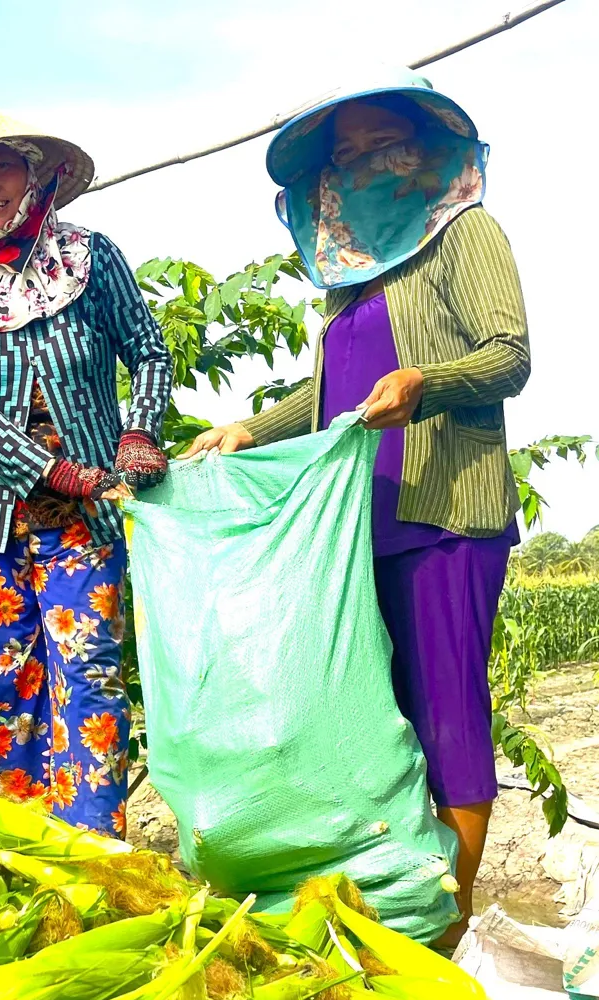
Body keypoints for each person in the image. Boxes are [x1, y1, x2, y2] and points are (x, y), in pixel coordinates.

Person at [186, 70, 528, 944]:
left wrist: (429, 382)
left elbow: (509, 356)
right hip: (355, 523)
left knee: (443, 707)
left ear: (423, 150)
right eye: (346, 154)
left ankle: (444, 931)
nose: (363, 162)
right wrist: (247, 430)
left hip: (442, 510)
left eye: (380, 144)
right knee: (374, 719)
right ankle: (398, 908)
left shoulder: (463, 234)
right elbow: (334, 396)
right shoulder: (349, 278)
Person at [0, 103, 174, 838]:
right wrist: (60, 472)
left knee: (89, 674)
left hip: (88, 521)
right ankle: (26, 838)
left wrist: (138, 430)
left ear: (35, 175)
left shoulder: (87, 256)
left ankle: (91, 844)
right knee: (6, 684)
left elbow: (146, 349)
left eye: (3, 166)